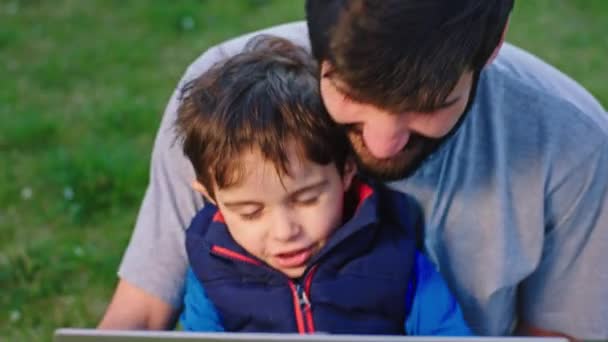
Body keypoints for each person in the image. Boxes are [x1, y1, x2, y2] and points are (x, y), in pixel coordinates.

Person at [99, 0, 608, 340]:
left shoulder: (574, 142)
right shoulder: (223, 104)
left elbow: (559, 334)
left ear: (494, 42)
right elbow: (143, 308)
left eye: (428, 103)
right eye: (349, 93)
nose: (384, 144)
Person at [174, 36, 471, 335]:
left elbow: (448, 336)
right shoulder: (210, 268)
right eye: (250, 212)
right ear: (210, 196)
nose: (285, 232)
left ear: (347, 171)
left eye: (307, 200)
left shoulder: (396, 256)